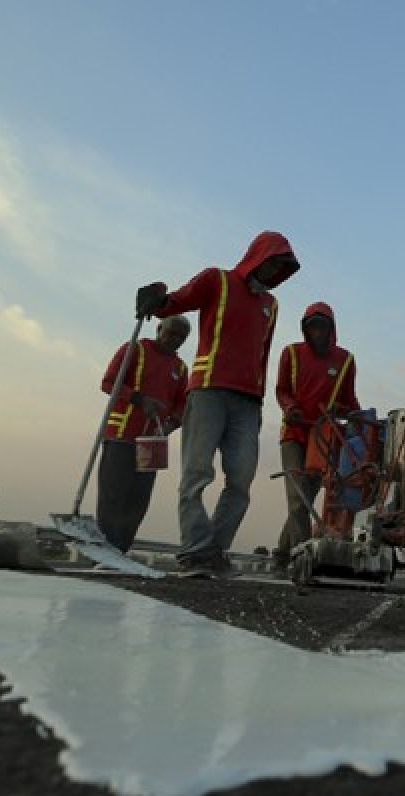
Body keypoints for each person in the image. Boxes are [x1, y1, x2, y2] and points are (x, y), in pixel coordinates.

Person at [135, 231, 300, 578]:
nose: (276, 273)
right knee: (197, 474)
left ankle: (213, 551)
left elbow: (262, 355)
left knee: (240, 481)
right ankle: (195, 551)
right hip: (209, 390)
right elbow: (180, 300)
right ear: (259, 257)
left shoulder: (271, 305)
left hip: (248, 402)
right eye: (274, 264)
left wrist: (259, 396)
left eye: (283, 269)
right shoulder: (218, 280)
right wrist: (159, 302)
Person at [272, 302, 359, 575]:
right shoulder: (291, 354)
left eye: (322, 327)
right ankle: (301, 557)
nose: (318, 333)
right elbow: (281, 390)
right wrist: (290, 408)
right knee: (297, 499)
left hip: (323, 438)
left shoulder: (345, 360)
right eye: (313, 328)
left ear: (331, 329)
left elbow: (349, 401)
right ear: (305, 329)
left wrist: (351, 414)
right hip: (294, 435)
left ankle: (280, 555)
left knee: (304, 501)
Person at [96, 315, 191, 552]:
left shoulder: (180, 367)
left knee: (138, 498)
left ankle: (122, 549)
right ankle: (107, 548)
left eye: (181, 337)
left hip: (153, 442)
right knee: (113, 494)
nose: (175, 340)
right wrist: (139, 399)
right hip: (121, 433)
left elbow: (182, 406)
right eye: (172, 333)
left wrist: (172, 424)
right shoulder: (134, 349)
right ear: (160, 328)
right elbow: (108, 383)